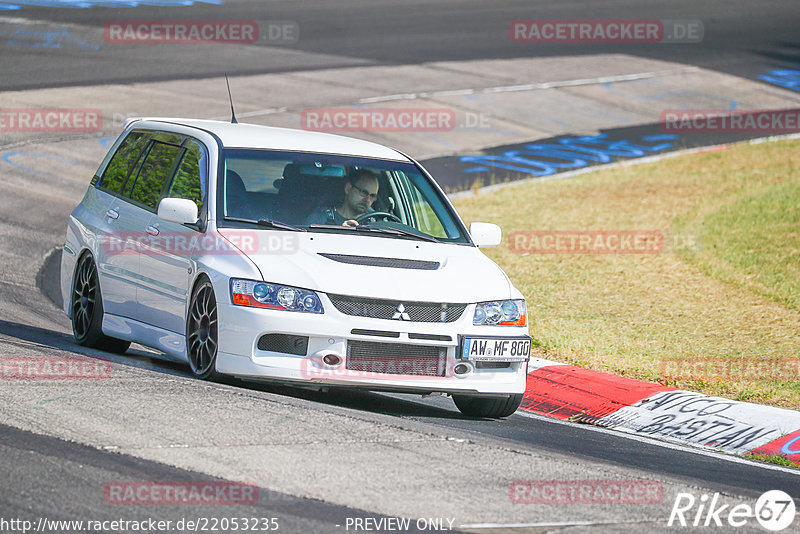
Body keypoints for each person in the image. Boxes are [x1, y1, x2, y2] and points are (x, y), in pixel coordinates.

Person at [305, 169, 379, 227]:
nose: (367, 200)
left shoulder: (375, 223)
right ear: (348, 188)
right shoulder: (320, 218)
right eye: (364, 192)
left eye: (372, 196)